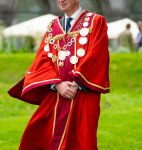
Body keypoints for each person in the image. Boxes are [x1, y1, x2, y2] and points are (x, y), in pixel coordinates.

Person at [8, 0, 110, 149]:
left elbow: (98, 55)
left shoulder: (96, 21)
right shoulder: (52, 26)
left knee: (82, 140)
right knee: (38, 133)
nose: (61, 0)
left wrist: (77, 84)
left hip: (83, 93)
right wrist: (57, 84)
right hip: (56, 93)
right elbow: (43, 59)